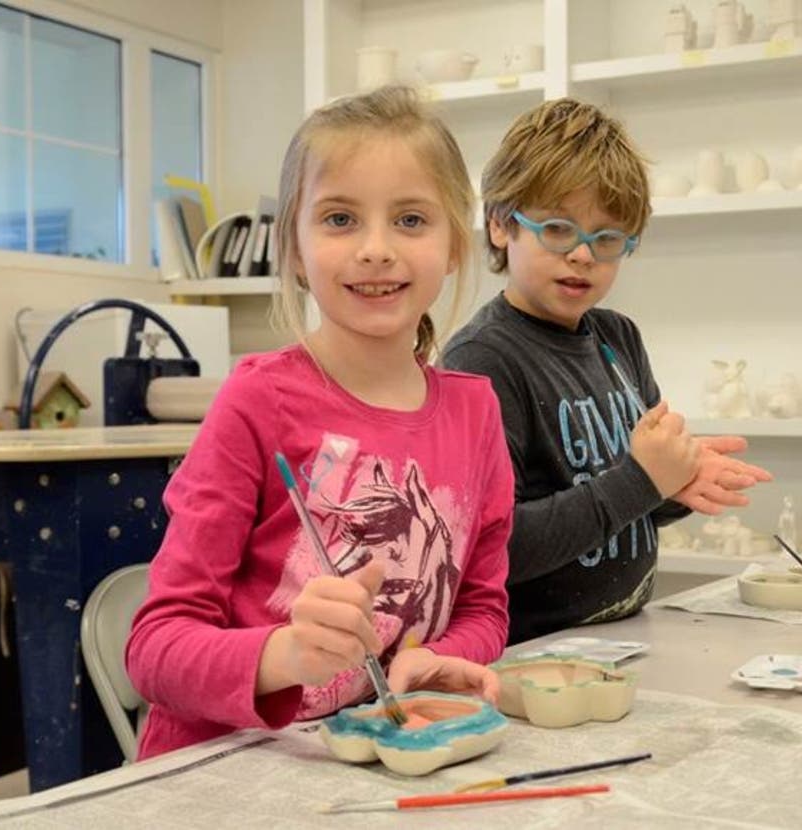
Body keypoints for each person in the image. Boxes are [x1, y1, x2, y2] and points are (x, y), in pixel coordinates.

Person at [127, 86, 514, 759]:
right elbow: (154, 650)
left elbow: (483, 608)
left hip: (373, 766)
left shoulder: (475, 412)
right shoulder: (258, 401)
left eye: (411, 219)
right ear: (294, 250)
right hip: (226, 772)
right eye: (339, 219)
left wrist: (436, 657)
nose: (375, 249)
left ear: (456, 243)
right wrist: (285, 655)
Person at [442, 98, 771, 644]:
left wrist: (674, 483)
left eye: (608, 239)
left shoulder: (618, 338)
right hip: (533, 655)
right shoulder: (482, 361)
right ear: (500, 225)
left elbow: (630, 505)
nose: (583, 255)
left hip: (623, 640)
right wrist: (643, 480)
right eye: (557, 229)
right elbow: (495, 547)